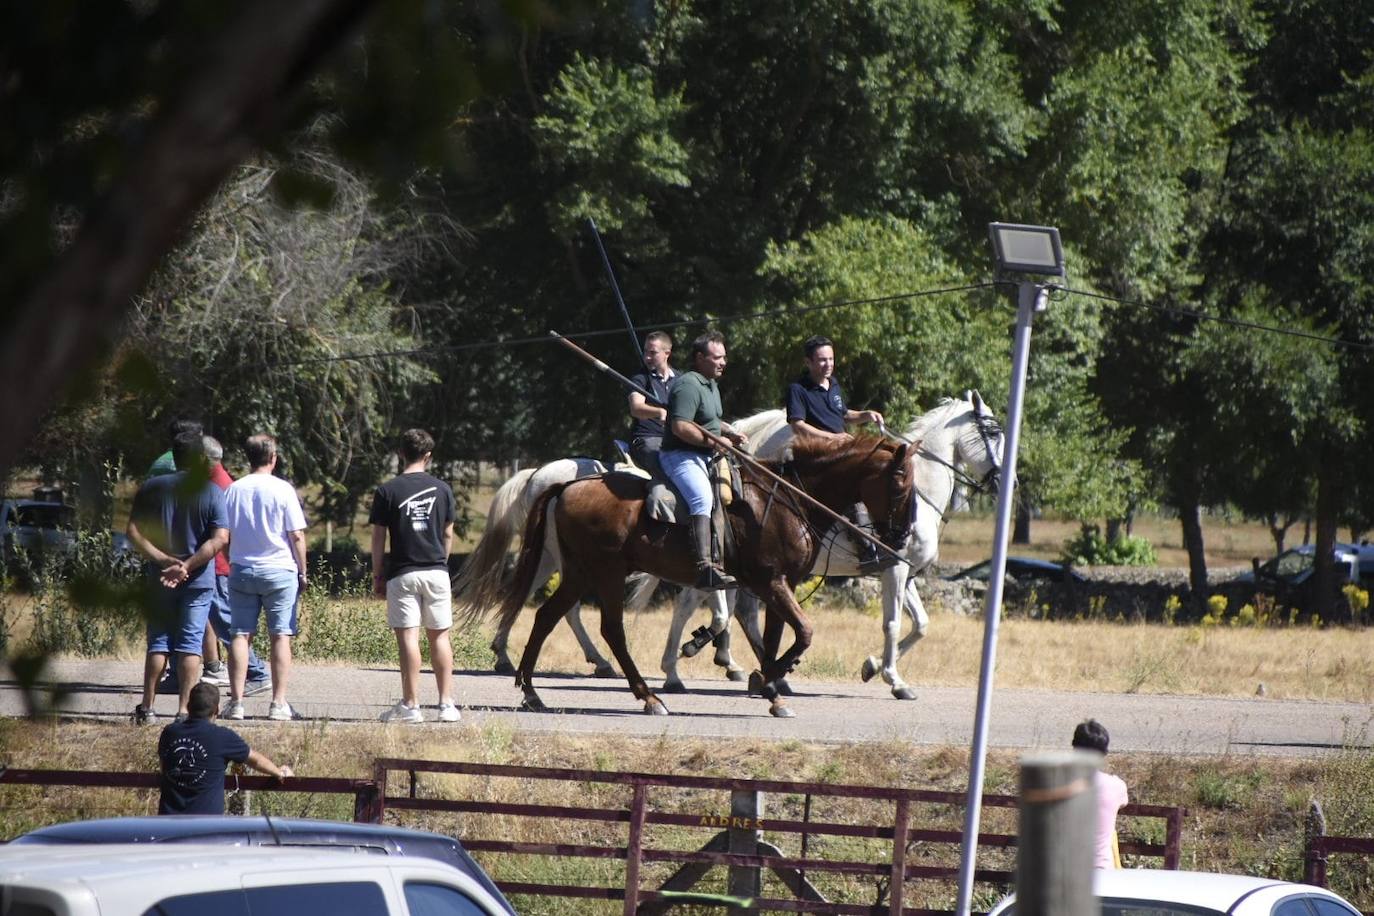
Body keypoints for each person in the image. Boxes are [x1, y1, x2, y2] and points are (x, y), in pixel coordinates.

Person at [126, 431, 228, 724]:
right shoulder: (211, 492)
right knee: (190, 644)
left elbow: (133, 531)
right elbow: (219, 539)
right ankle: (184, 711)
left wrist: (162, 560)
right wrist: (188, 565)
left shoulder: (152, 487)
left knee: (158, 643)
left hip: (159, 579)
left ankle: (147, 708)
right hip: (197, 581)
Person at [369, 428, 460, 724]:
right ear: (428, 456)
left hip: (403, 572)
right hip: (436, 570)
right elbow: (448, 533)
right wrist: (441, 563)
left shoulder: (386, 491)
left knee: (408, 637)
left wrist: (377, 574)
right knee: (440, 637)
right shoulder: (443, 489)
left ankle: (411, 705)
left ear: (400, 453)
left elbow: (378, 537)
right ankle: (446, 704)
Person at [783, 334, 893, 574]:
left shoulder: (832, 384)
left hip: (840, 451)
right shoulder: (798, 389)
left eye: (831, 359)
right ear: (808, 362)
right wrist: (834, 438)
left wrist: (865, 415)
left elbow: (842, 414)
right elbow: (798, 425)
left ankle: (887, 533)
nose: (828, 365)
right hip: (817, 457)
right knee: (851, 489)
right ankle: (866, 550)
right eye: (822, 360)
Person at [222, 434, 308, 722]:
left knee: (240, 634)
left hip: (242, 568)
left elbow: (224, 534)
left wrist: (231, 555)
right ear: (273, 458)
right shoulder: (283, 490)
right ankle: (278, 703)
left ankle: (236, 703)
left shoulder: (233, 490)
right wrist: (303, 570)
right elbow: (296, 535)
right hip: (279, 570)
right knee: (280, 634)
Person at [659, 330, 747, 590]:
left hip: (705, 455)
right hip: (681, 456)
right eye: (717, 357)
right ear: (699, 358)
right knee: (702, 498)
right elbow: (680, 427)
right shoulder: (688, 385)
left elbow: (708, 420)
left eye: (724, 357)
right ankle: (705, 568)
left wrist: (728, 431)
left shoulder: (710, 385)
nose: (723, 362)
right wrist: (717, 442)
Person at [197, 435, 271, 695]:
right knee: (221, 620)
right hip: (217, 561)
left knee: (226, 622)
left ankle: (256, 672)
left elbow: (225, 531)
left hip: (218, 563)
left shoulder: (220, 485)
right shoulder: (217, 482)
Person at [158, 682, 292, 814]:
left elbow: (163, 766)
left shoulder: (170, 733)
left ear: (188, 706)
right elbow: (254, 760)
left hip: (169, 822)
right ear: (216, 710)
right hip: (207, 827)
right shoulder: (223, 737)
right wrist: (279, 772)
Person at [1073, 718, 1129, 869]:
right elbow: (1123, 802)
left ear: (1074, 748)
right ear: (1104, 753)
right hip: (1102, 870)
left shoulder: (1056, 785)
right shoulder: (1116, 786)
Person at [626, 331, 677, 478]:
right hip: (647, 440)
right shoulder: (639, 378)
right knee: (669, 469)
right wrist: (659, 412)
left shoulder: (681, 380)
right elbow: (636, 408)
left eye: (653, 353)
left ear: (667, 353)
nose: (647, 357)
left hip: (675, 440)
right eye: (645, 352)